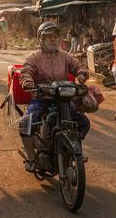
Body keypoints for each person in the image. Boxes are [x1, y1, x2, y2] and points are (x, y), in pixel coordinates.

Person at [19, 21, 90, 172]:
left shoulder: (65, 56)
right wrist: (29, 83)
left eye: (55, 36)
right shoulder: (34, 57)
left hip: (63, 98)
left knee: (83, 122)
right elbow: (26, 71)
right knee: (26, 123)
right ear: (41, 39)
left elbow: (78, 66)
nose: (53, 39)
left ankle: (73, 149)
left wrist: (82, 74)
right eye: (49, 36)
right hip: (41, 98)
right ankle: (31, 158)